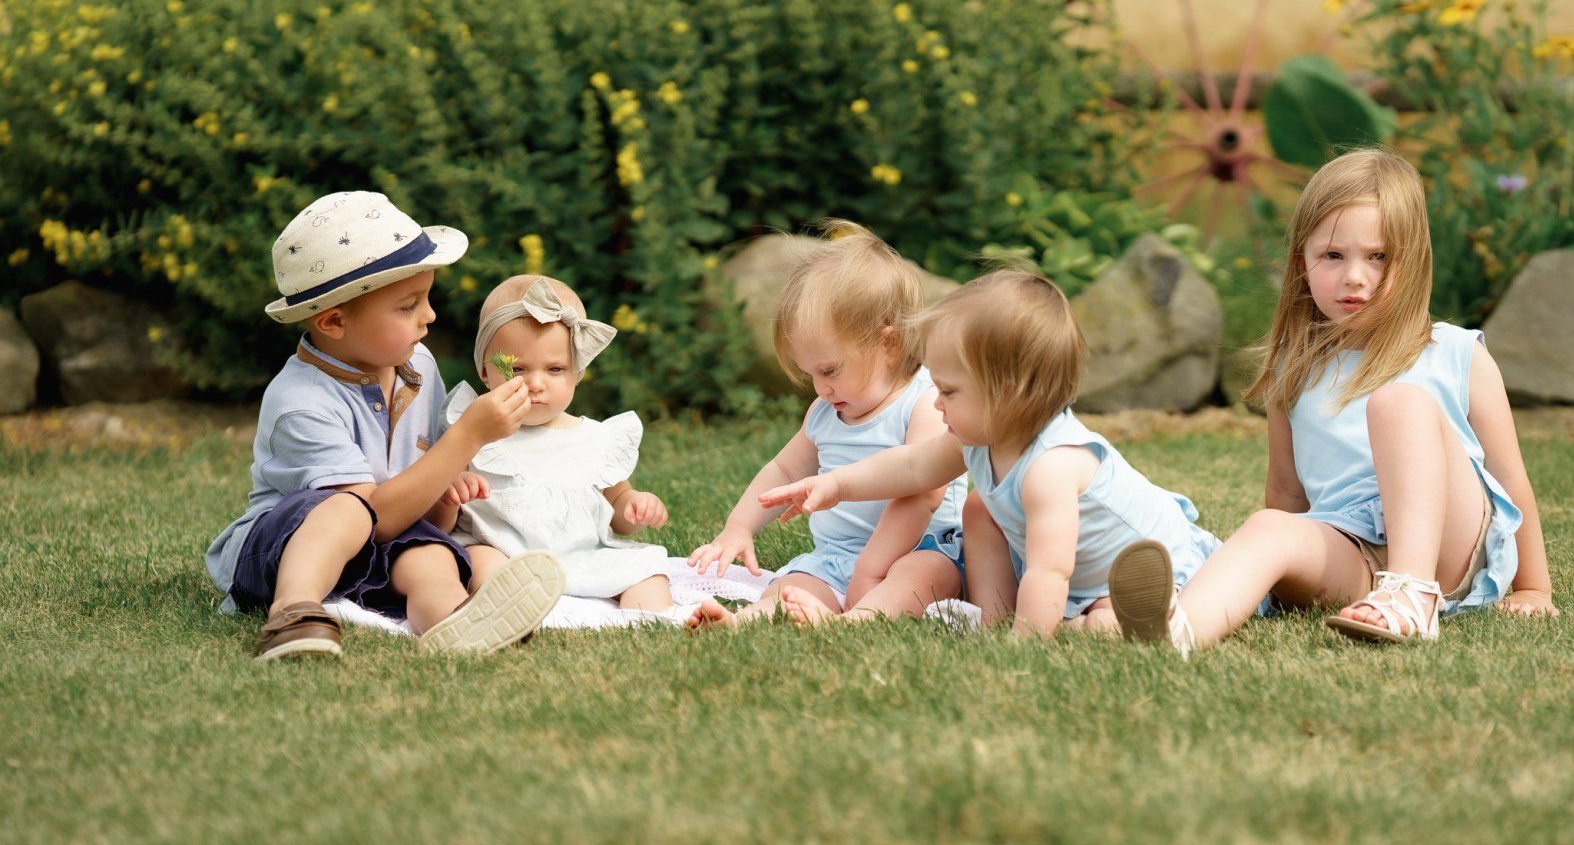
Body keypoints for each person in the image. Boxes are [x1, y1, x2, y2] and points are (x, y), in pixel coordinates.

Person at [1109, 148, 1557, 653]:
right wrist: (1279, 569)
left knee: (1398, 404)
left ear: (1413, 261)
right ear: (1302, 261)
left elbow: (1511, 477)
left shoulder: (1456, 353)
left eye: (1378, 257)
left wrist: (1533, 587)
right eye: (1333, 256)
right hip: (1355, 554)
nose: (1354, 277)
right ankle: (1179, 630)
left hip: (1449, 549)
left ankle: (1412, 595)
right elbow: (1287, 494)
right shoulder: (1292, 369)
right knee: (1268, 527)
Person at [759, 270, 1220, 638]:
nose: (936, 403)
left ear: (1006, 393)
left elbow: (1049, 570)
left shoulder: (1052, 466)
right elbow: (913, 466)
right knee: (981, 507)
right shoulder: (978, 437)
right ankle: (992, 616)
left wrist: (1029, 642)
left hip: (1132, 570)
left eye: (950, 391)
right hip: (1076, 576)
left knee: (1106, 623)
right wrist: (837, 483)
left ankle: (1070, 627)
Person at [204, 191, 564, 662]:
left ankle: (458, 620)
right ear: (333, 321)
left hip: (380, 544)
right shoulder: (301, 402)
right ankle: (292, 613)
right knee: (350, 509)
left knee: (432, 554)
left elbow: (411, 504)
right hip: (279, 552)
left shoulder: (415, 364)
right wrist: (467, 436)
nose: (429, 315)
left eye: (427, 297)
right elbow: (373, 515)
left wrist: (447, 491)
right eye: (409, 304)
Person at [686, 223, 966, 628]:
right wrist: (738, 527)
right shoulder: (825, 410)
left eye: (830, 369)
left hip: (922, 549)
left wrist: (872, 570)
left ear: (886, 342)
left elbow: (923, 495)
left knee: (918, 577)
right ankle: (746, 620)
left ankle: (857, 619)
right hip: (837, 556)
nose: (820, 386)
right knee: (790, 587)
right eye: (810, 374)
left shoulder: (923, 402)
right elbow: (783, 471)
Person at [441, 274, 692, 626]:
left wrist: (633, 505)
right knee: (481, 561)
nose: (535, 383)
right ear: (485, 370)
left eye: (555, 369)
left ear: (578, 373)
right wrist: (456, 485)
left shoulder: (596, 438)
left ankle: (658, 619)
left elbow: (618, 509)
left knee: (646, 571)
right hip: (504, 551)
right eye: (516, 368)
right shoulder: (476, 429)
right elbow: (445, 486)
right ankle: (509, 613)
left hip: (583, 555)